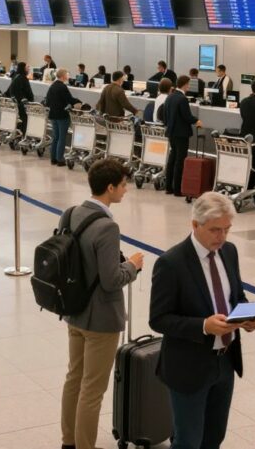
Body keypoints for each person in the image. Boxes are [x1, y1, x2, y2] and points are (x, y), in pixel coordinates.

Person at [149, 192, 255, 449]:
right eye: (215, 230)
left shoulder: (228, 252)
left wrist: (247, 316)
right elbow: (159, 319)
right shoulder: (171, 263)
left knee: (214, 437)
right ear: (195, 225)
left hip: (225, 362)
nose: (221, 237)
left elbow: (236, 295)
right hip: (189, 367)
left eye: (227, 230)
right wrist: (203, 326)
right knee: (188, 441)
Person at [60, 159, 144, 449]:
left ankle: (68, 441)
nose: (126, 190)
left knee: (74, 378)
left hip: (75, 311)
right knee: (92, 390)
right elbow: (111, 280)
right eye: (123, 185)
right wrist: (132, 265)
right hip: (101, 320)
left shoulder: (71, 213)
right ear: (110, 187)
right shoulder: (108, 227)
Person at [163, 75, 201, 196]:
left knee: (172, 159)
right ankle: (178, 189)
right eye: (188, 84)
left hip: (171, 132)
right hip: (181, 133)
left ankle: (169, 187)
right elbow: (187, 116)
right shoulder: (182, 99)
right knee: (180, 161)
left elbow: (165, 115)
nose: (189, 86)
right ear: (184, 84)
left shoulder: (170, 97)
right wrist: (197, 121)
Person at [47, 68, 82, 166]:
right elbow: (70, 99)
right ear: (63, 76)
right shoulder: (62, 87)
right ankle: (60, 159)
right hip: (62, 115)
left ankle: (53, 158)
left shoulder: (52, 86)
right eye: (67, 74)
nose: (68, 76)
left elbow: (48, 101)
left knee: (55, 137)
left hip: (53, 114)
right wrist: (79, 102)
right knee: (62, 137)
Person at [8, 61, 34, 131]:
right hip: (23, 105)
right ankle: (24, 132)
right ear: (23, 68)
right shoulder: (23, 78)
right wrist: (32, 102)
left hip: (16, 103)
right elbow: (29, 93)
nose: (28, 69)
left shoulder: (15, 76)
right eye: (27, 67)